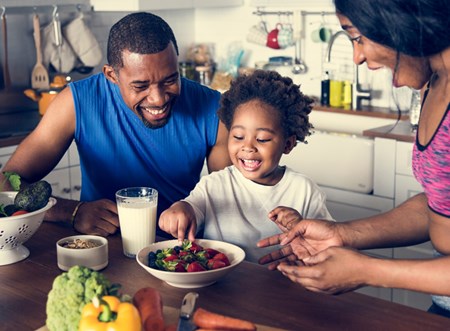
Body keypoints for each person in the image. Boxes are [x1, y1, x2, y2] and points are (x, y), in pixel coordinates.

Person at [257, 0, 450, 317]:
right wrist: (341, 234)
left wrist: (369, 271)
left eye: (357, 37)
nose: (358, 57)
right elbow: (439, 205)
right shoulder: (435, 84)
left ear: (397, 18)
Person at [0, 12, 230, 237]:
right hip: (105, 247)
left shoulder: (214, 108)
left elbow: (230, 198)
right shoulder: (75, 102)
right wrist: (71, 211)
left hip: (179, 252)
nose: (158, 99)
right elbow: (6, 183)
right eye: (140, 86)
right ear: (112, 75)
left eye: (170, 79)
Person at [158, 70, 334, 262]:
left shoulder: (305, 191)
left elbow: (329, 247)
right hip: (222, 285)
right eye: (238, 137)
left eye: (262, 139)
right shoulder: (214, 184)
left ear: (288, 144)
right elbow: (192, 208)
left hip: (282, 286)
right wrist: (180, 209)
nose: (248, 147)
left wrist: (301, 227)